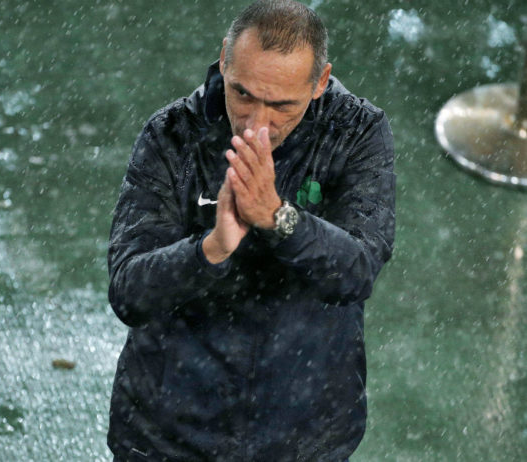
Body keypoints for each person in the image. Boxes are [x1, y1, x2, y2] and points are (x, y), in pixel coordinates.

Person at [107, 1, 395, 460]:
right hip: (168, 434)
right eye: (242, 94)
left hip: (304, 436)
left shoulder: (356, 132)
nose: (257, 124)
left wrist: (278, 218)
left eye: (281, 105)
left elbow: (355, 272)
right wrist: (211, 249)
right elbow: (129, 293)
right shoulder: (171, 135)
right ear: (224, 59)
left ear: (320, 82)